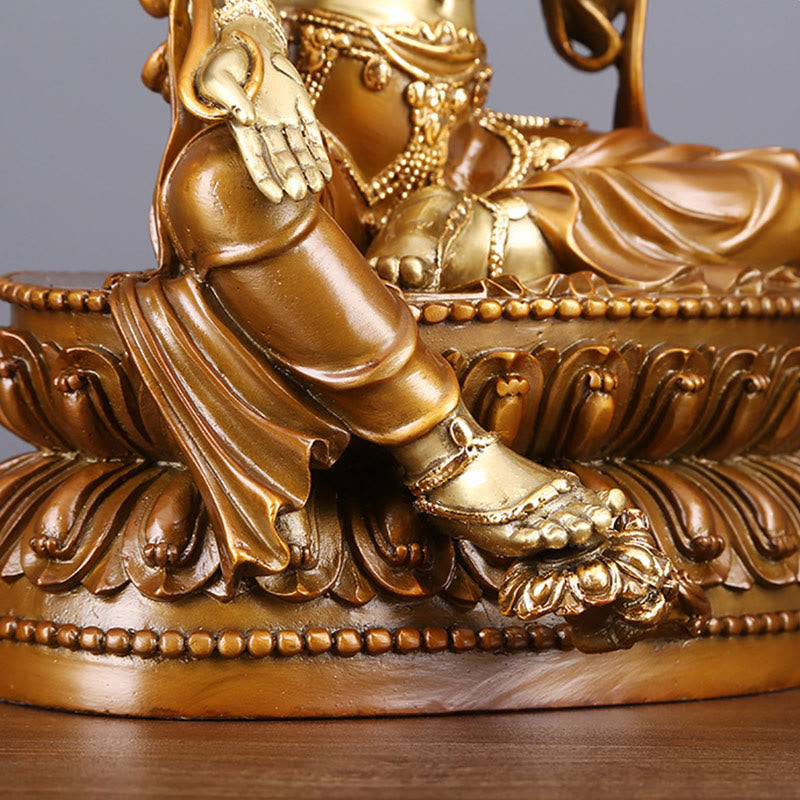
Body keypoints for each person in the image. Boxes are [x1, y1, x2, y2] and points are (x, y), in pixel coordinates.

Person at [123, 0, 714, 625]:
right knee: (216, 185)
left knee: (770, 186)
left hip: (472, 157)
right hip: (314, 147)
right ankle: (448, 451)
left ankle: (494, 232)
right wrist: (253, 46)